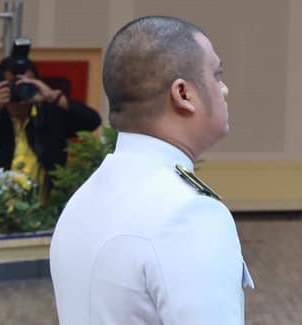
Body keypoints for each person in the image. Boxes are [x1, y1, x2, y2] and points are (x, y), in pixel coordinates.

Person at [49, 16, 251, 324]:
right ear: (183, 95)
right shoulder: (188, 212)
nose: (224, 89)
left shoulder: (83, 198)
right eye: (216, 74)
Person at [0, 54, 102, 196]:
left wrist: (53, 96)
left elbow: (93, 121)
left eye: (27, 83)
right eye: (13, 85)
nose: (19, 90)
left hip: (44, 210)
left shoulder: (50, 115)